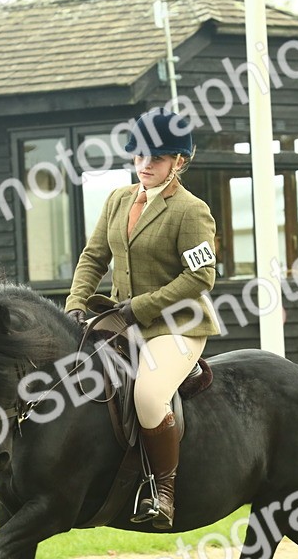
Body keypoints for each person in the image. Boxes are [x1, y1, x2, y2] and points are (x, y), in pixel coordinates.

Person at [64, 108, 220, 530]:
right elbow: (94, 257)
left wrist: (142, 307)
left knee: (148, 396)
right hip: (121, 320)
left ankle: (163, 492)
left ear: (179, 162)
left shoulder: (191, 210)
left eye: (157, 158)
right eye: (139, 156)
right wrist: (75, 305)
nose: (146, 165)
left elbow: (202, 276)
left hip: (177, 326)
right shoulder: (117, 200)